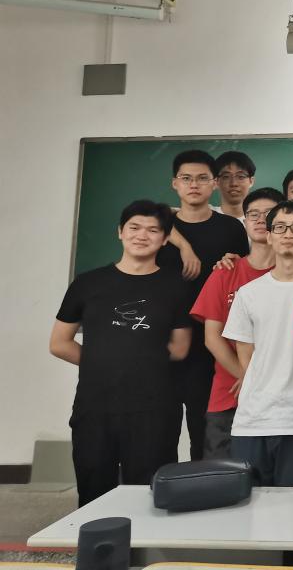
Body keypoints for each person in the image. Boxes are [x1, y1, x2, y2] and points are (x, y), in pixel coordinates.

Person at [49, 200, 191, 506]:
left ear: (165, 238)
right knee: (93, 493)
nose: (142, 235)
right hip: (95, 408)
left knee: (150, 497)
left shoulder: (175, 286)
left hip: (154, 409)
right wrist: (102, 362)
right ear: (120, 232)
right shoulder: (88, 283)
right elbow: (59, 342)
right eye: (134, 227)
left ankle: (145, 541)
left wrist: (138, 361)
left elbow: (180, 348)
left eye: (153, 230)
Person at [222, 200, 293, 486]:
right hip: (253, 421)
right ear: (269, 235)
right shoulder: (249, 293)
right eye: (280, 227)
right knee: (249, 506)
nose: (288, 234)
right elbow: (246, 357)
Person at [157, 150, 249, 460]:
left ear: (214, 184)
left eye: (202, 178)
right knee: (158, 434)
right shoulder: (158, 226)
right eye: (186, 178)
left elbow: (241, 280)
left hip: (211, 344)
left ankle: (202, 485)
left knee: (203, 433)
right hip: (164, 341)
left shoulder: (231, 229)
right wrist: (185, 247)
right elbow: (151, 215)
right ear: (175, 183)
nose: (193, 185)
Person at [190, 187, 283, 458]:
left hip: (281, 399)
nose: (260, 219)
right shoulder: (225, 272)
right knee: (224, 478)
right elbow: (212, 337)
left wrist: (257, 381)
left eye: (268, 213)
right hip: (229, 395)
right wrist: (247, 377)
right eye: (253, 214)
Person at [213, 151, 255, 220]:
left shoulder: (261, 220)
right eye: (226, 177)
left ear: (251, 181)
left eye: (241, 177)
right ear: (216, 181)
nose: (234, 183)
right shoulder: (204, 216)